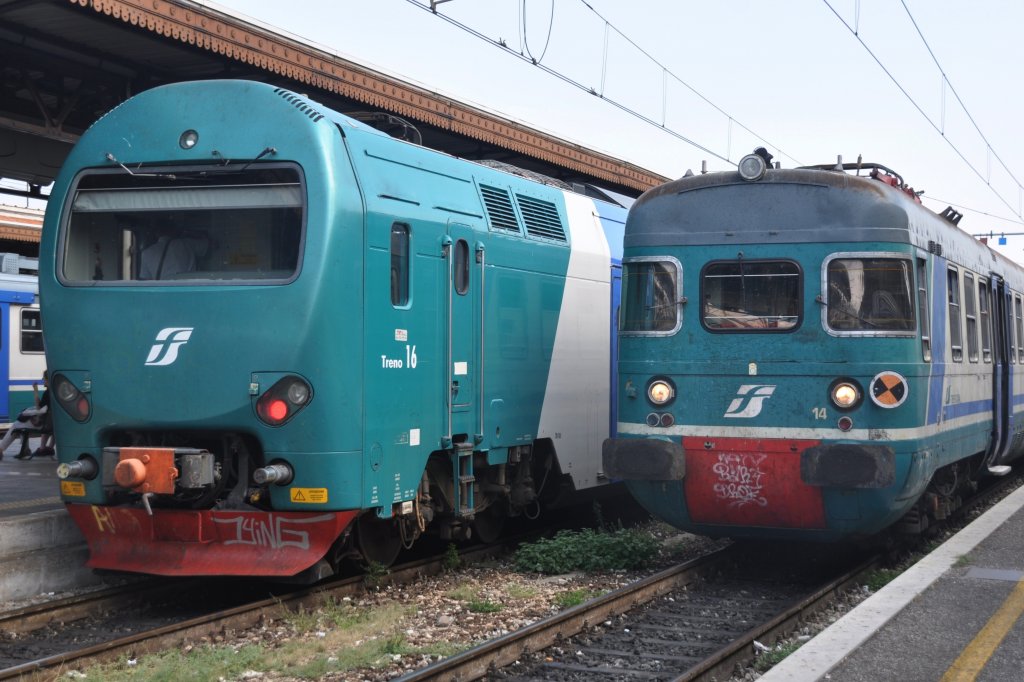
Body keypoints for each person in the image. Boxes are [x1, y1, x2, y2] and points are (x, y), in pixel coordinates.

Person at [0, 371, 50, 460]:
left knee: (16, 425)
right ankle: (25, 449)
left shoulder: (48, 393)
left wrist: (35, 392)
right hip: (50, 423)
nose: (43, 380)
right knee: (22, 421)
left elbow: (40, 409)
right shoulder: (54, 392)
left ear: (48, 379)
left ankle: (1, 449)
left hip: (44, 424)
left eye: (44, 378)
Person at [139, 227, 209, 280]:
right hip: (188, 289)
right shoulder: (187, 244)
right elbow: (212, 245)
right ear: (174, 230)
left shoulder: (146, 253)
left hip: (161, 294)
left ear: (156, 233)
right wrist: (189, 233)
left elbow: (145, 280)